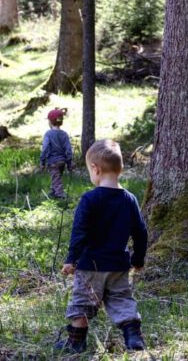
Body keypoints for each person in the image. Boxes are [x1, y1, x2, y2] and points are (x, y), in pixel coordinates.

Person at [54, 139, 148, 353]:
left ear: (95, 169)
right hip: (118, 265)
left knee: (82, 302)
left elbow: (80, 233)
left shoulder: (89, 199)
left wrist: (71, 260)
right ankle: (133, 337)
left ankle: (76, 342)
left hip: (90, 266)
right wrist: (138, 260)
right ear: (120, 169)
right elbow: (141, 233)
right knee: (122, 299)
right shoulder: (130, 199)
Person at [40, 108, 73, 199]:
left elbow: (45, 148)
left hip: (53, 161)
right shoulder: (64, 134)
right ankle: (53, 192)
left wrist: (42, 162)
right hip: (62, 161)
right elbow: (69, 149)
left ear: (50, 122)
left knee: (56, 178)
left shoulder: (48, 134)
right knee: (56, 177)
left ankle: (60, 195)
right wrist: (69, 163)